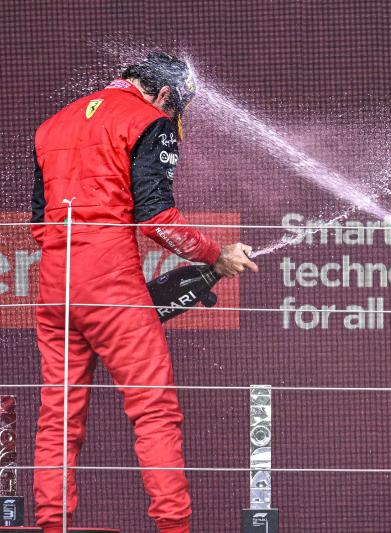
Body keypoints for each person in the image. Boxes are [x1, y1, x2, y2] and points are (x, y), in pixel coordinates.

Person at [30, 52, 258, 533]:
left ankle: (52, 527)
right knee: (154, 411)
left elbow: (38, 226)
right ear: (165, 94)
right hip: (110, 279)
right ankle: (174, 529)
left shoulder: (52, 125)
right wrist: (215, 255)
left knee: (58, 418)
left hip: (53, 282)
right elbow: (156, 220)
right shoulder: (149, 120)